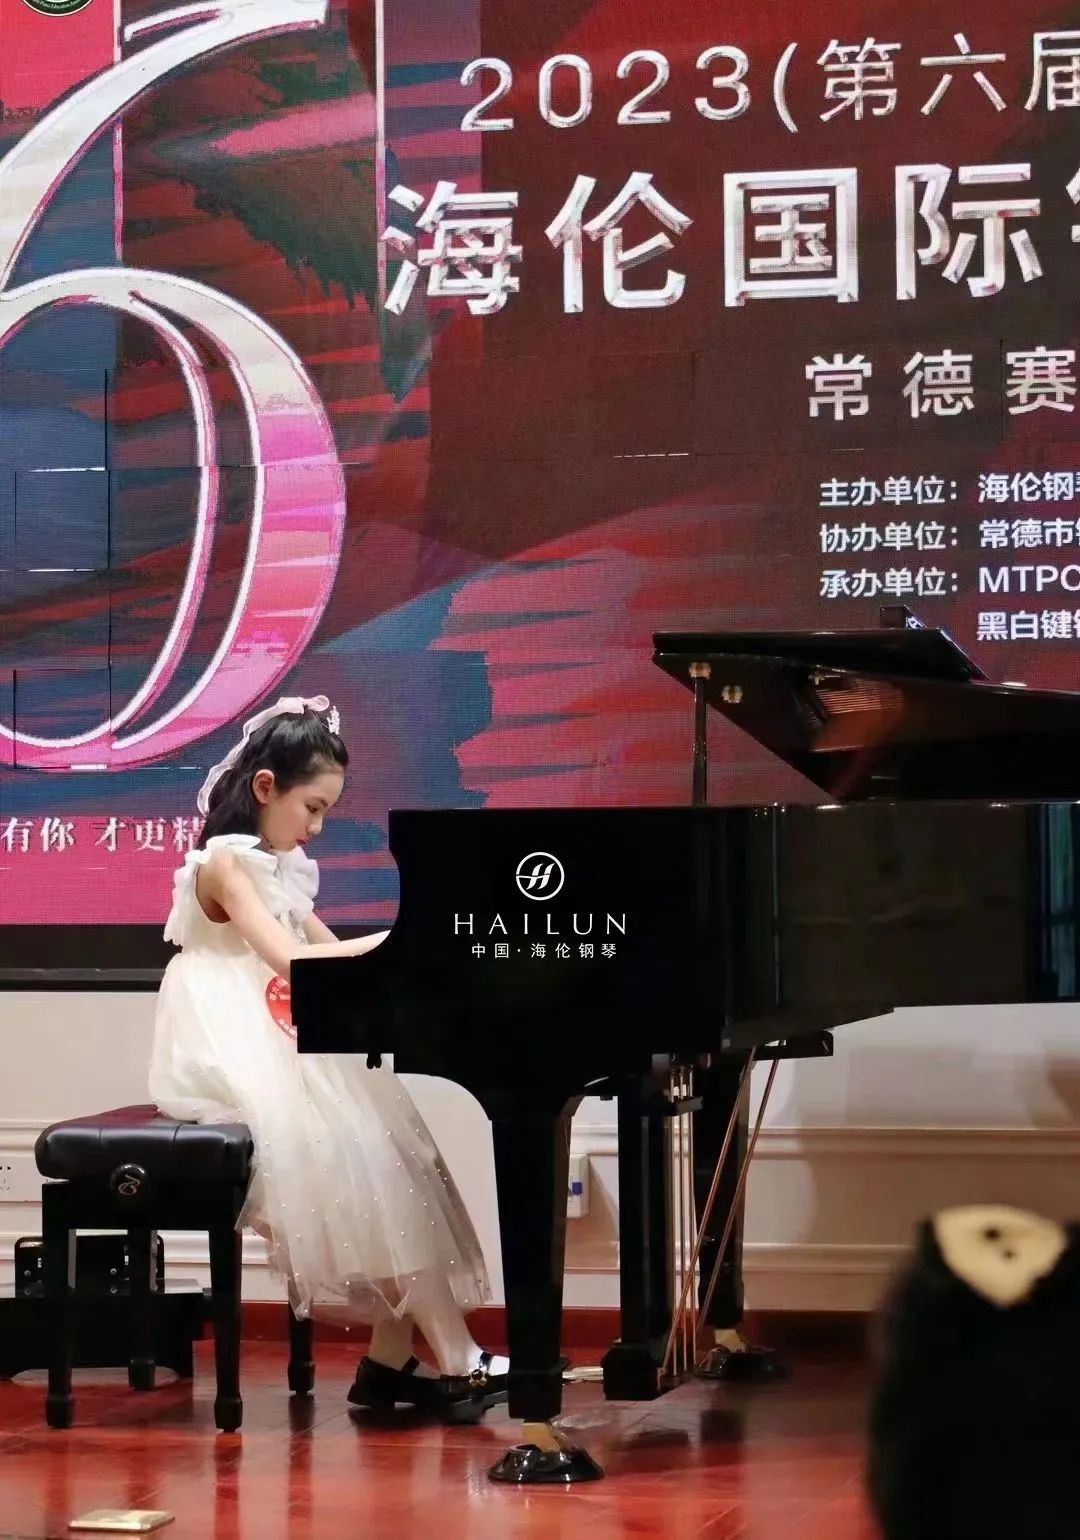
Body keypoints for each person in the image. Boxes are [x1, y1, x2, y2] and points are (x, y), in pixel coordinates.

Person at [149, 694, 509, 1418]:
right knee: (367, 1162)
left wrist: (408, 950)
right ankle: (455, 1357)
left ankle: (389, 1363)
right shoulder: (224, 865)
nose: (316, 826)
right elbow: (291, 960)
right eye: (311, 807)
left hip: (282, 1035)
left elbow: (330, 951)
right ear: (265, 787)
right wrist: (406, 940)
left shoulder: (280, 866)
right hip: (232, 1043)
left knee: (393, 1156)